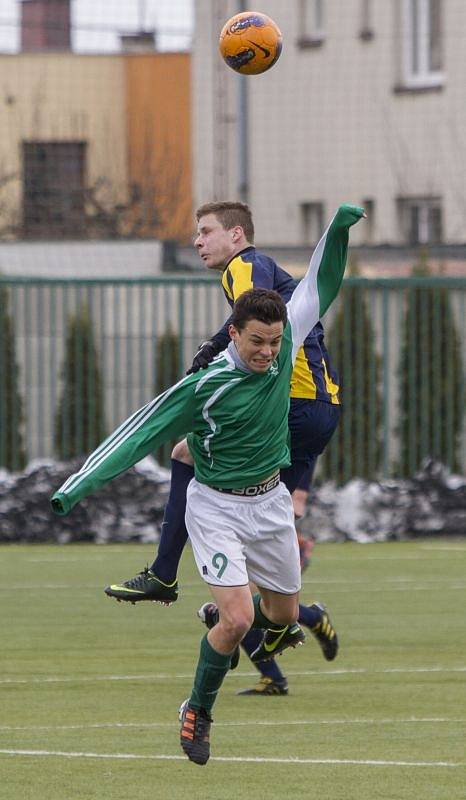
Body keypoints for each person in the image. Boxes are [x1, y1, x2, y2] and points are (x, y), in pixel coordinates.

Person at [51, 204, 364, 765]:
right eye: (256, 343)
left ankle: (243, 614)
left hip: (267, 501)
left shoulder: (284, 342)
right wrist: (78, 485)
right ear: (232, 335)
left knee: (285, 616)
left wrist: (337, 229)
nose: (268, 352)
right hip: (216, 507)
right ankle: (197, 708)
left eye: (274, 342)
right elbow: (137, 431)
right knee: (240, 618)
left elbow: (322, 281)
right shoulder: (207, 385)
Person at [106, 201, 344, 695]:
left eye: (206, 231)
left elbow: (255, 314)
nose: (198, 241)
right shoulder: (257, 272)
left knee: (186, 457)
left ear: (237, 235)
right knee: (270, 518)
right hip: (320, 405)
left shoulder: (245, 265)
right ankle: (289, 624)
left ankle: (166, 574)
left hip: (286, 400)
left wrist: (212, 351)